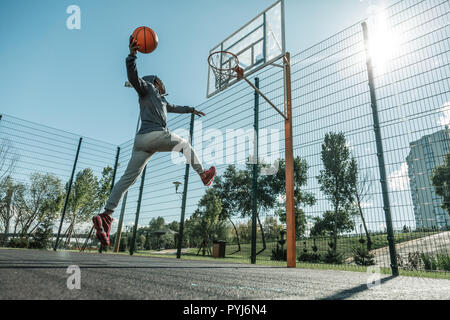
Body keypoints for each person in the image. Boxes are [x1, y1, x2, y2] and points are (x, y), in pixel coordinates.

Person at [92, 36, 216, 247]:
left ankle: (105, 215)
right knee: (184, 145)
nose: (163, 82)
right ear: (155, 82)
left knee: (127, 179)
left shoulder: (162, 99)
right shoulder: (147, 88)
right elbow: (134, 78)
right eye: (160, 80)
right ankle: (203, 175)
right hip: (154, 135)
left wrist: (191, 110)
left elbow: (174, 106)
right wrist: (132, 56)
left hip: (141, 142)